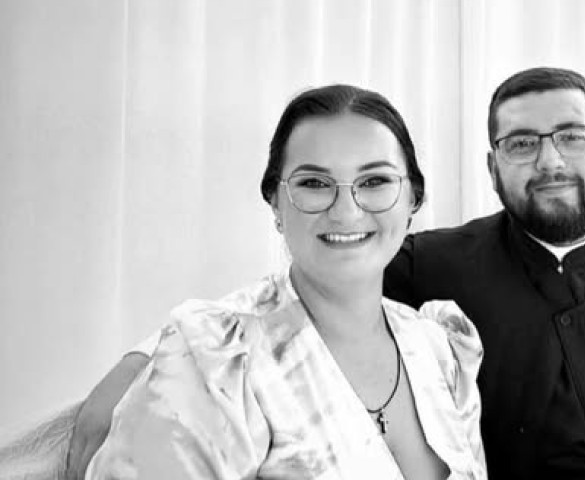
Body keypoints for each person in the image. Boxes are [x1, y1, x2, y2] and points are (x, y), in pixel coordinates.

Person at [69, 68, 585, 479]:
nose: (549, 160)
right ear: (491, 166)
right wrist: (149, 359)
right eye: (521, 143)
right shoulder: (434, 270)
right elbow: (303, 295)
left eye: (573, 136)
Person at [77, 84, 486, 479]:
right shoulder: (216, 358)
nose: (346, 211)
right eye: (314, 184)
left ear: (413, 198)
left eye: (375, 181)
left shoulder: (440, 352)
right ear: (275, 202)